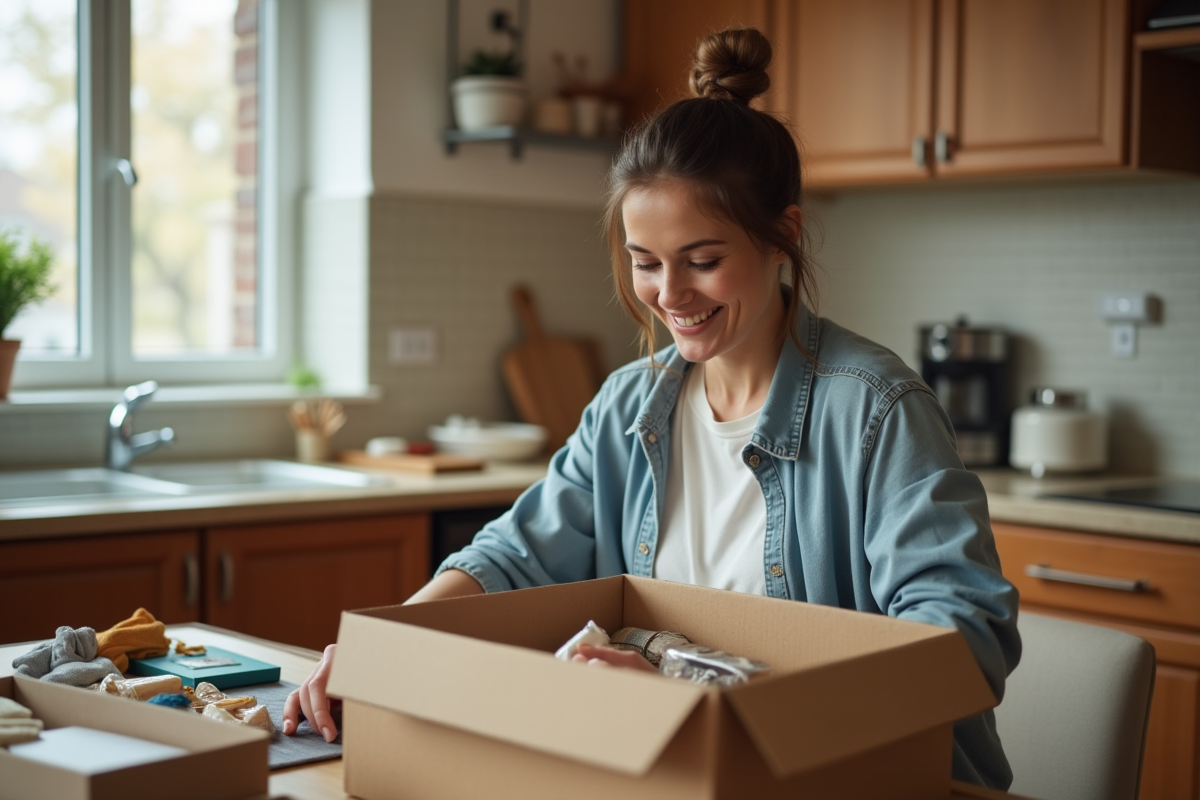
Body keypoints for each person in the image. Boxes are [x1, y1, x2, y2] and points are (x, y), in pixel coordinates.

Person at [283, 27, 1020, 790]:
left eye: (703, 261)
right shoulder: (633, 404)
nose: (670, 296)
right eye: (645, 263)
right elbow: (513, 556)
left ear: (782, 239)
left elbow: (965, 642)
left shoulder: (875, 411)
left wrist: (703, 703)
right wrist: (390, 645)